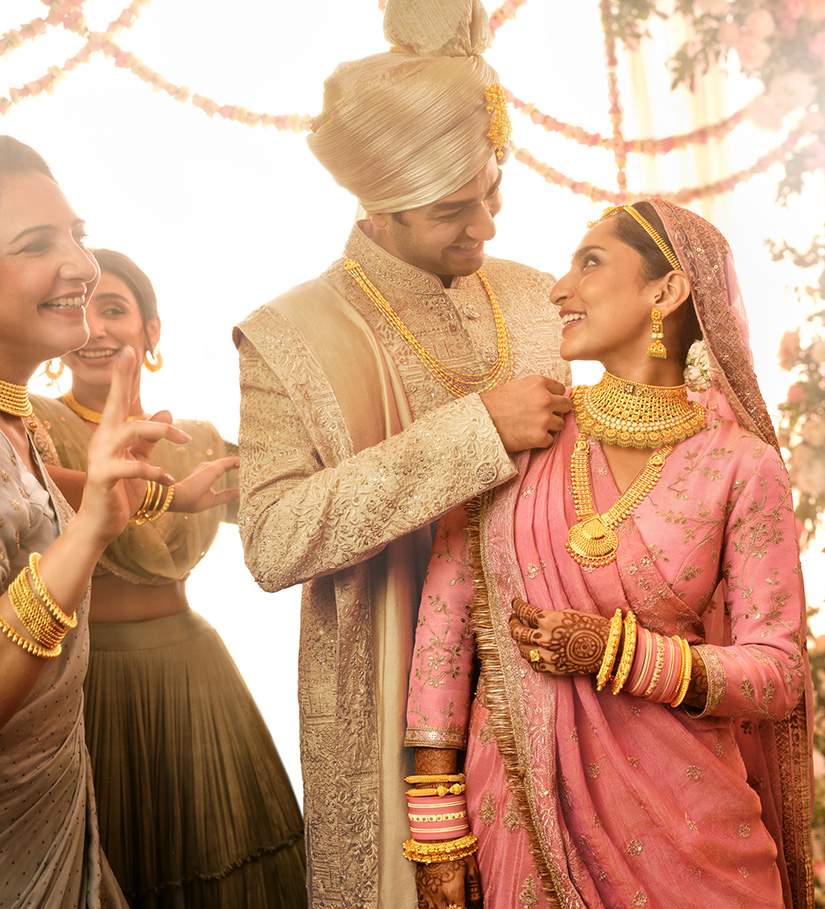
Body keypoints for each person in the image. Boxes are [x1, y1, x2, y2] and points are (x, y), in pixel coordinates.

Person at [233, 1, 570, 905]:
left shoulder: (543, 298)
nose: (487, 228)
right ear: (377, 208)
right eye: (451, 212)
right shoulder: (286, 337)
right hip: (384, 705)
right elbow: (270, 539)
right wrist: (473, 434)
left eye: (495, 191)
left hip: (569, 700)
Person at [406, 199, 815, 909]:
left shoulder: (738, 465)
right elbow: (444, 629)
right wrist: (437, 827)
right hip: (523, 819)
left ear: (666, 291)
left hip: (692, 837)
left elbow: (778, 671)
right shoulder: (522, 428)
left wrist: (621, 655)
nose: (560, 289)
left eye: (589, 263)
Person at [31, 248, 307, 908]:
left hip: (198, 676)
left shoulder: (201, 439)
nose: (95, 327)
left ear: (151, 332)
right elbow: (41, 490)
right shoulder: (34, 427)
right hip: (89, 681)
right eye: (81, 308)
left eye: (116, 309)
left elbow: (291, 505)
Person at [0, 135, 193, 908]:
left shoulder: (19, 425)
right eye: (36, 243)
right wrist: (87, 537)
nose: (82, 265)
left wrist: (145, 498)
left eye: (76, 234)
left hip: (56, 804)